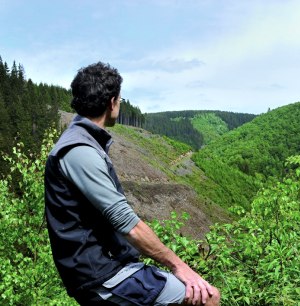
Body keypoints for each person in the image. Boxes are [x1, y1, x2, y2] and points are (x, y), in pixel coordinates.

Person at [44, 62, 220, 306]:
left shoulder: (80, 142)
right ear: (112, 102)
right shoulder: (80, 151)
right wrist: (181, 267)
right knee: (207, 297)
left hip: (100, 268)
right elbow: (129, 225)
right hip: (102, 274)